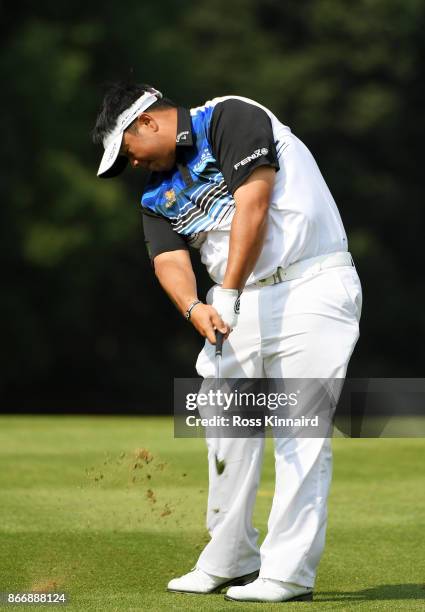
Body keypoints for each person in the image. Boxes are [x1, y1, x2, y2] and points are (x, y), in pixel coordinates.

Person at [92, 82, 362, 603]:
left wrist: (229, 290)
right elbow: (168, 259)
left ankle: (287, 574)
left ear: (147, 121)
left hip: (310, 286)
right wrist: (196, 307)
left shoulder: (229, 118)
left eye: (128, 150)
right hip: (237, 304)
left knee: (298, 433)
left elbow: (253, 205)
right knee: (226, 432)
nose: (134, 164)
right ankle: (230, 556)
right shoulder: (157, 191)